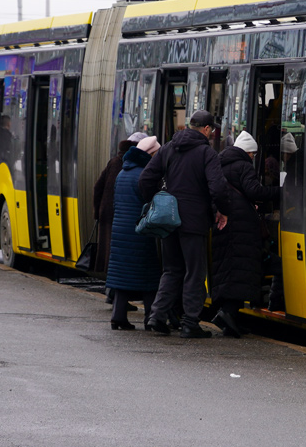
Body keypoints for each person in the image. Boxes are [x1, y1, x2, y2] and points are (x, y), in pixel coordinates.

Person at [138, 108, 231, 339]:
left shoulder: (169, 147)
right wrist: (222, 211)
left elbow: (145, 179)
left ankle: (157, 316)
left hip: (169, 220)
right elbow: (218, 188)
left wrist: (156, 201)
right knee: (195, 272)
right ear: (207, 129)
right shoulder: (206, 153)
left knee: (172, 270)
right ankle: (190, 322)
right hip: (194, 221)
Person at [209, 131, 278, 337]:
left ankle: (231, 319)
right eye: (253, 154)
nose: (253, 158)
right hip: (241, 227)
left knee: (230, 269)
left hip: (225, 223)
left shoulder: (219, 165)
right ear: (247, 152)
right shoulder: (243, 166)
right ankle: (227, 313)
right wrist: (279, 191)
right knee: (241, 270)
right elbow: (254, 191)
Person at [105, 136, 163, 329]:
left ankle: (118, 316)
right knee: (149, 276)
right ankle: (150, 317)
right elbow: (151, 202)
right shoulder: (144, 175)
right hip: (140, 232)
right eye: (156, 154)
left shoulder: (123, 173)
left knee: (122, 277)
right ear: (150, 154)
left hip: (120, 231)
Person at [96, 131, 147, 297]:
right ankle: (114, 295)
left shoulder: (114, 161)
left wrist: (98, 212)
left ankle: (113, 295)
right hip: (120, 215)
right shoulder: (133, 164)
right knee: (118, 258)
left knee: (113, 257)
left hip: (108, 214)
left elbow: (98, 187)